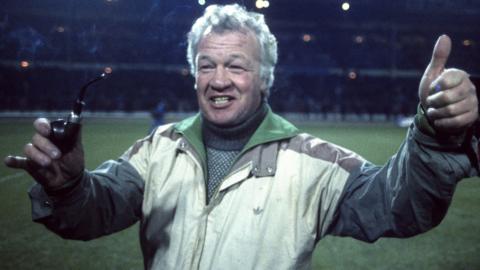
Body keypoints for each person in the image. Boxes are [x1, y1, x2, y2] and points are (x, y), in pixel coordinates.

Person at [4, 4, 479, 269]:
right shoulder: (156, 150)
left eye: (236, 65)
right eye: (206, 65)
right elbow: (97, 211)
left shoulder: (314, 163)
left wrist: (432, 137)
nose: (219, 79)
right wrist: (67, 186)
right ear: (193, 75)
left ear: (264, 78)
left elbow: (397, 206)